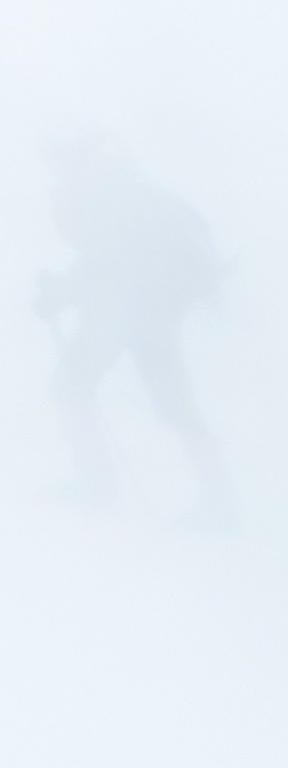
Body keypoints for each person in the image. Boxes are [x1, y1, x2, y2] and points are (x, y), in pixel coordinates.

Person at [34, 139, 233, 524]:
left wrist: (61, 292)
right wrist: (66, 288)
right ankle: (221, 501)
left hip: (127, 311)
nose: (50, 165)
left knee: (69, 386)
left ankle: (97, 486)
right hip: (153, 310)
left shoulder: (99, 190)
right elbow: (109, 258)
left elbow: (108, 260)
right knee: (174, 406)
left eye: (53, 155)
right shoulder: (127, 187)